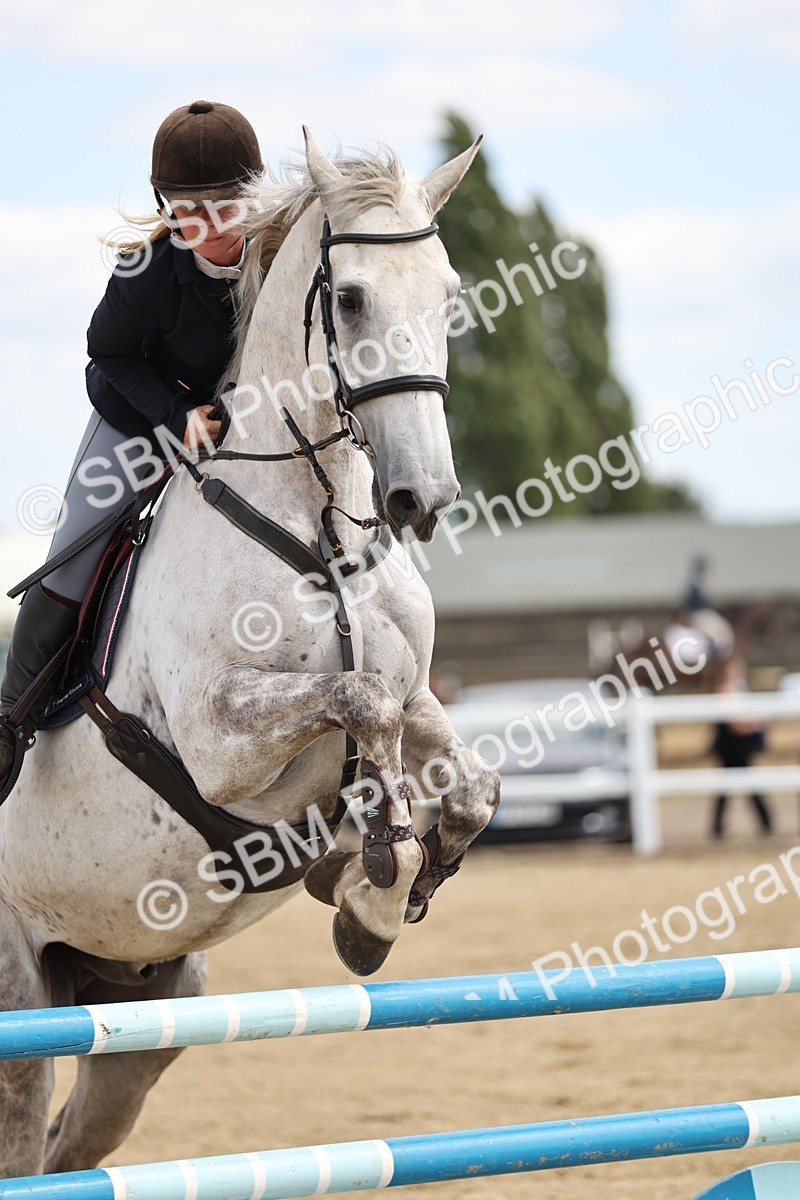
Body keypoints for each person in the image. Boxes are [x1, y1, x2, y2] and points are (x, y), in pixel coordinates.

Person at [0, 99, 264, 798]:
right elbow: (107, 353)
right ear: (164, 205)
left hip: (245, 419)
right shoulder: (147, 270)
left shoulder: (285, 250)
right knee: (78, 546)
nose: (207, 227)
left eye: (226, 206)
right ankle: (8, 718)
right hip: (139, 416)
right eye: (187, 210)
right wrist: (177, 418)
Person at [710, 656, 771, 838]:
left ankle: (719, 827)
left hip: (740, 746)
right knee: (743, 787)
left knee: (729, 789)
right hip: (731, 747)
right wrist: (753, 725)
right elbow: (734, 722)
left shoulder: (741, 689)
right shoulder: (723, 691)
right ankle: (766, 822)